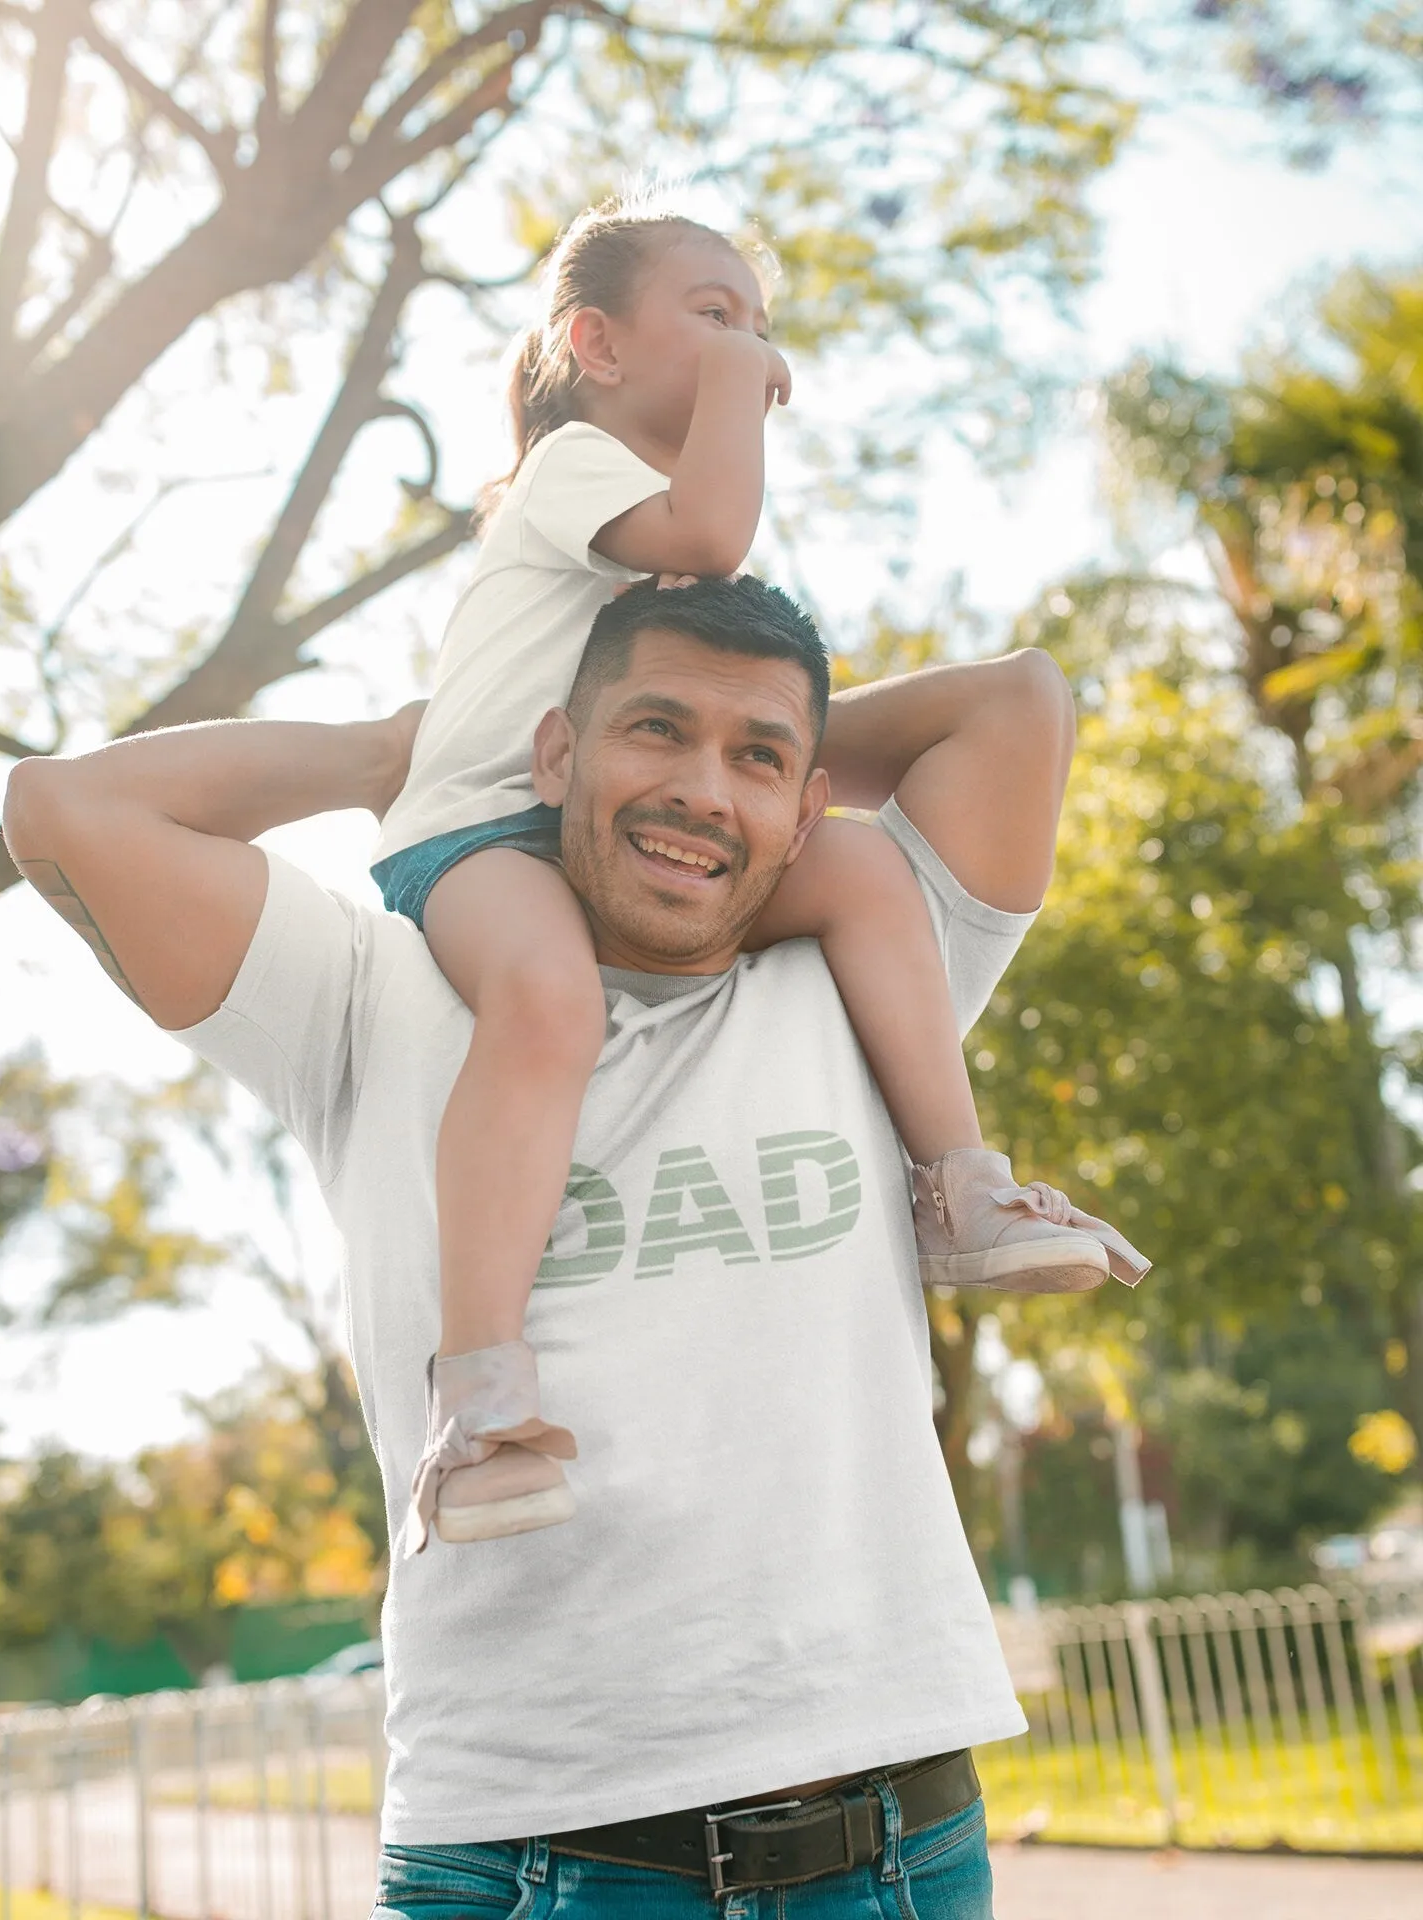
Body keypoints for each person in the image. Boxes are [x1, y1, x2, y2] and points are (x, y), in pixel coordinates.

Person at [5, 572, 1139, 1916]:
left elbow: (1017, 703)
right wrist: (409, 754)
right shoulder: (373, 987)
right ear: (554, 751)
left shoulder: (872, 966)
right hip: (532, 1857)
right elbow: (64, 810)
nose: (702, 792)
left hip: (893, 1846)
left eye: (758, 760)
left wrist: (749, 752)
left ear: (809, 806)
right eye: (652, 729)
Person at [368, 202, 1147, 1545]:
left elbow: (730, 648)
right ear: (593, 342)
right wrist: (741, 384)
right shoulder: (574, 467)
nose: (750, 347)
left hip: (598, 831)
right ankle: (480, 1398)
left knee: (848, 870)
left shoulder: (654, 542)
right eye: (712, 315)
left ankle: (962, 1183)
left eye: (759, 325)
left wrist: (777, 767)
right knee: (546, 997)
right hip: (480, 837)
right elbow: (714, 538)